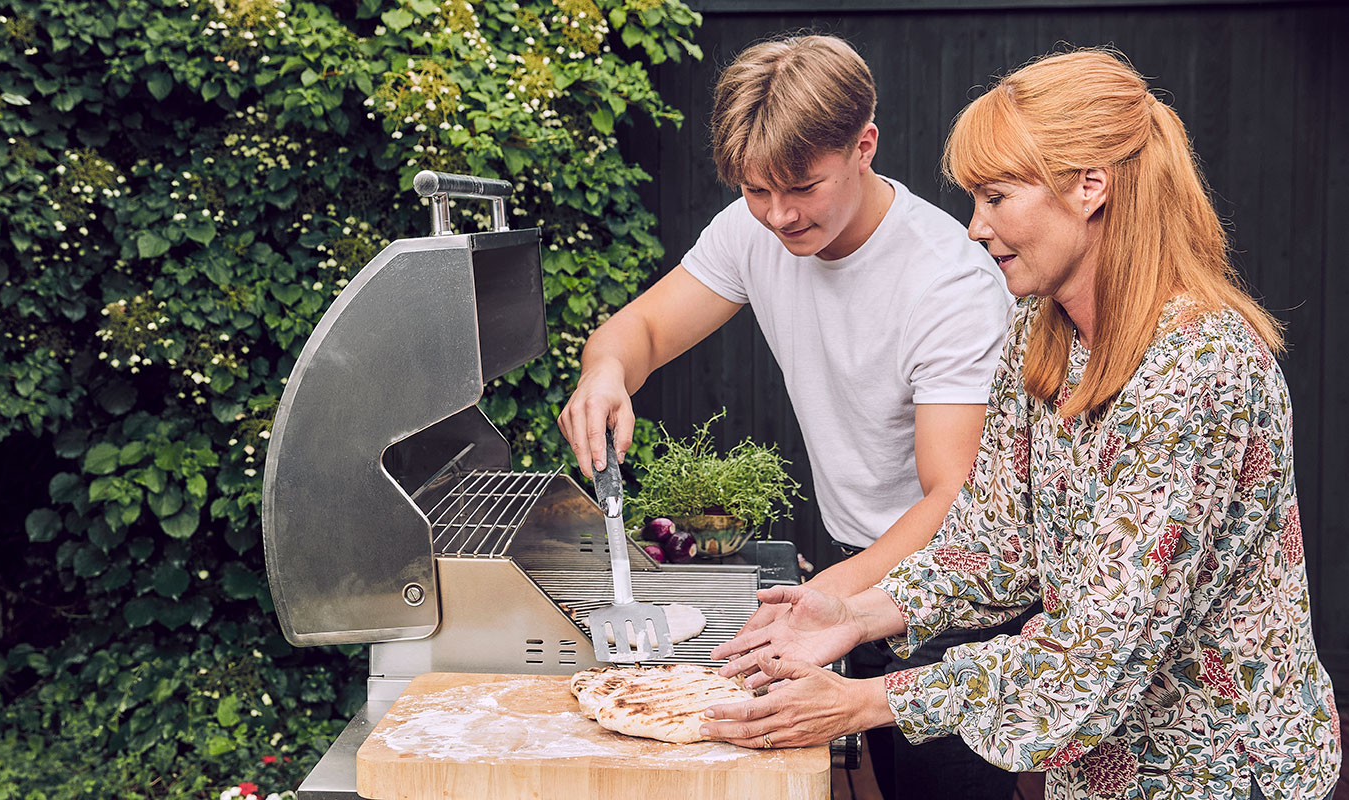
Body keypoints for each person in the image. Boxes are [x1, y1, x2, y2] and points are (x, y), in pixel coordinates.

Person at [704, 48, 1342, 800]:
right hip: (1102, 777)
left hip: (1223, 774)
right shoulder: (1039, 336)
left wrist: (865, 702)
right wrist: (852, 614)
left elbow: (1094, 654)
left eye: (997, 197)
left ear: (1089, 187)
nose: (975, 228)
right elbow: (995, 545)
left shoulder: (1197, 368)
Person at [557, 33, 1018, 799]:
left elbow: (951, 498)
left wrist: (833, 602)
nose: (778, 216)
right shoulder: (756, 228)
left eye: (802, 187)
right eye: (755, 191)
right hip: (856, 559)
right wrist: (605, 373)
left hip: (951, 584)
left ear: (864, 144)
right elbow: (636, 332)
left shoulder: (949, 284)